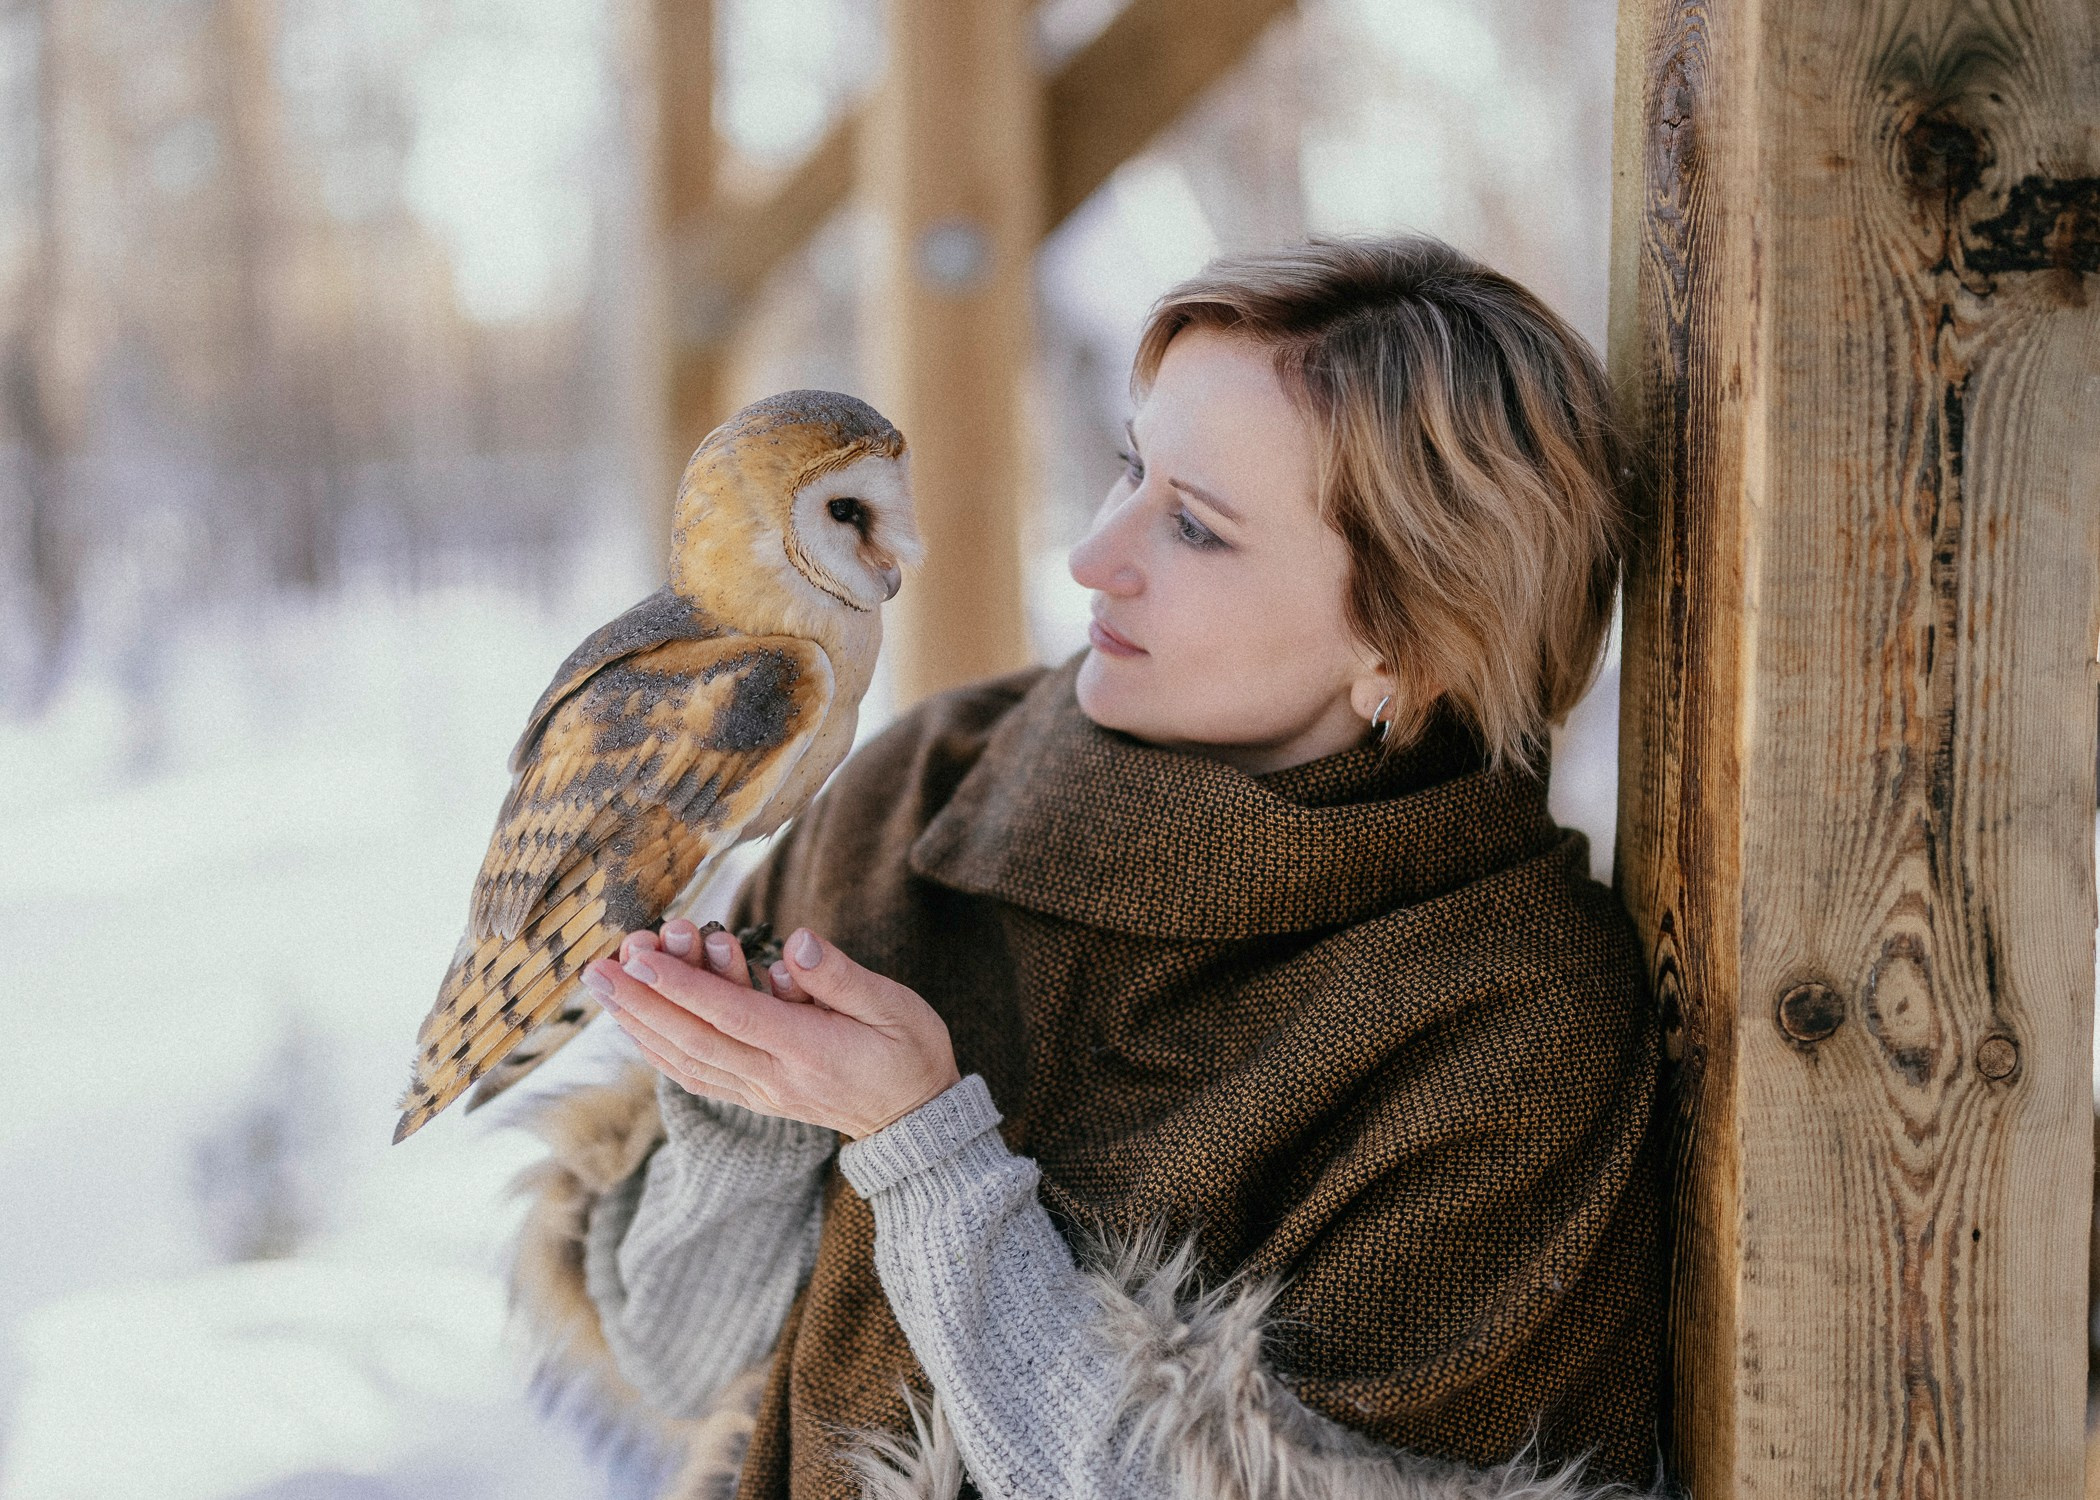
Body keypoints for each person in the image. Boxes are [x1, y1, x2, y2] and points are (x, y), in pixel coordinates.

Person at [509, 234, 1668, 1500]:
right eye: (1130, 464)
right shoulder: (920, 785)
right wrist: (743, 1120)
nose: (1095, 554)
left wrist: (924, 1151)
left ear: (1409, 642)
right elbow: (688, 1380)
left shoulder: (1517, 1025)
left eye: (1198, 528)